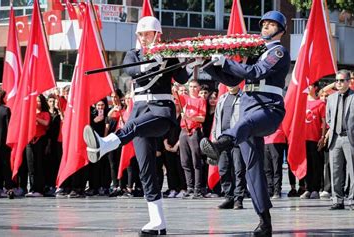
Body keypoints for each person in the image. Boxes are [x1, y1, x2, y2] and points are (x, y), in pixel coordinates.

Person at [83, 16, 188, 235]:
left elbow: (183, 78)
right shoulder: (133, 54)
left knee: (133, 129)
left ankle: (105, 144)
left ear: (157, 35)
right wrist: (154, 59)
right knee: (146, 169)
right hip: (139, 111)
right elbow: (133, 72)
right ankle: (157, 221)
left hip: (161, 111)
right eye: (141, 34)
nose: (143, 37)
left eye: (148, 34)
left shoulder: (169, 53)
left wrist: (180, 57)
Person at [200, 10, 290, 236]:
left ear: (281, 30)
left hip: (269, 110)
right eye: (264, 24)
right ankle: (264, 222)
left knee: (247, 124)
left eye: (271, 24)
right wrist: (212, 65)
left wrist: (228, 61)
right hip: (249, 110)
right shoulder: (256, 52)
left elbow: (257, 72)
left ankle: (221, 145)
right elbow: (234, 79)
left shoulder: (277, 51)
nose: (265, 27)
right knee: (253, 168)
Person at [325, 70, 354, 210]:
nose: (339, 83)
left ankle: (353, 201)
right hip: (335, 138)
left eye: (342, 80)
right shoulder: (331, 98)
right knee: (335, 170)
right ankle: (337, 200)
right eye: (337, 80)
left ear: (349, 82)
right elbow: (329, 118)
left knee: (353, 170)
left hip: (351, 138)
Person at [212, 85, 246, 209]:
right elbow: (216, 118)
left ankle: (238, 199)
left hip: (237, 139)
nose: (231, 85)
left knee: (239, 170)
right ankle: (229, 197)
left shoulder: (244, 98)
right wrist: (215, 135)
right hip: (222, 139)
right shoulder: (222, 98)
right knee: (223, 169)